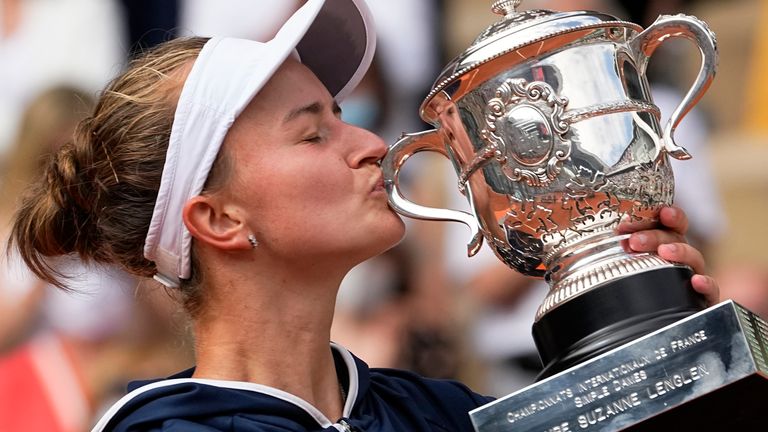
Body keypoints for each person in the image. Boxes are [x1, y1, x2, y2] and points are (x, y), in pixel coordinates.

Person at [6, 1, 719, 431]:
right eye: (313, 132)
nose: (373, 144)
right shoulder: (162, 430)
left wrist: (651, 336)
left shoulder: (438, 411)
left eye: (347, 114)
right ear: (218, 219)